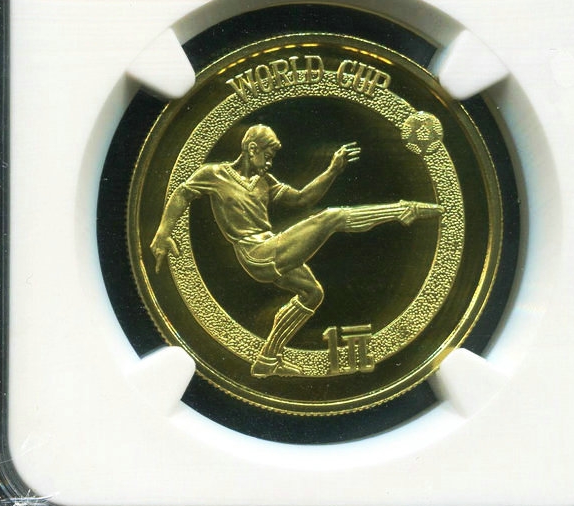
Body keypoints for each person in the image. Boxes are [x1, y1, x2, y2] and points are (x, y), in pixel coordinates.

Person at [150, 124, 440, 378]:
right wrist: (162, 233)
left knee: (312, 293)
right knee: (332, 217)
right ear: (252, 149)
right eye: (267, 156)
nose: (269, 163)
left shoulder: (265, 181)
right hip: (255, 253)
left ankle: (267, 360)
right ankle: (402, 211)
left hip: (271, 247)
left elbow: (302, 199)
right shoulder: (214, 174)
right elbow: (183, 193)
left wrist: (333, 170)